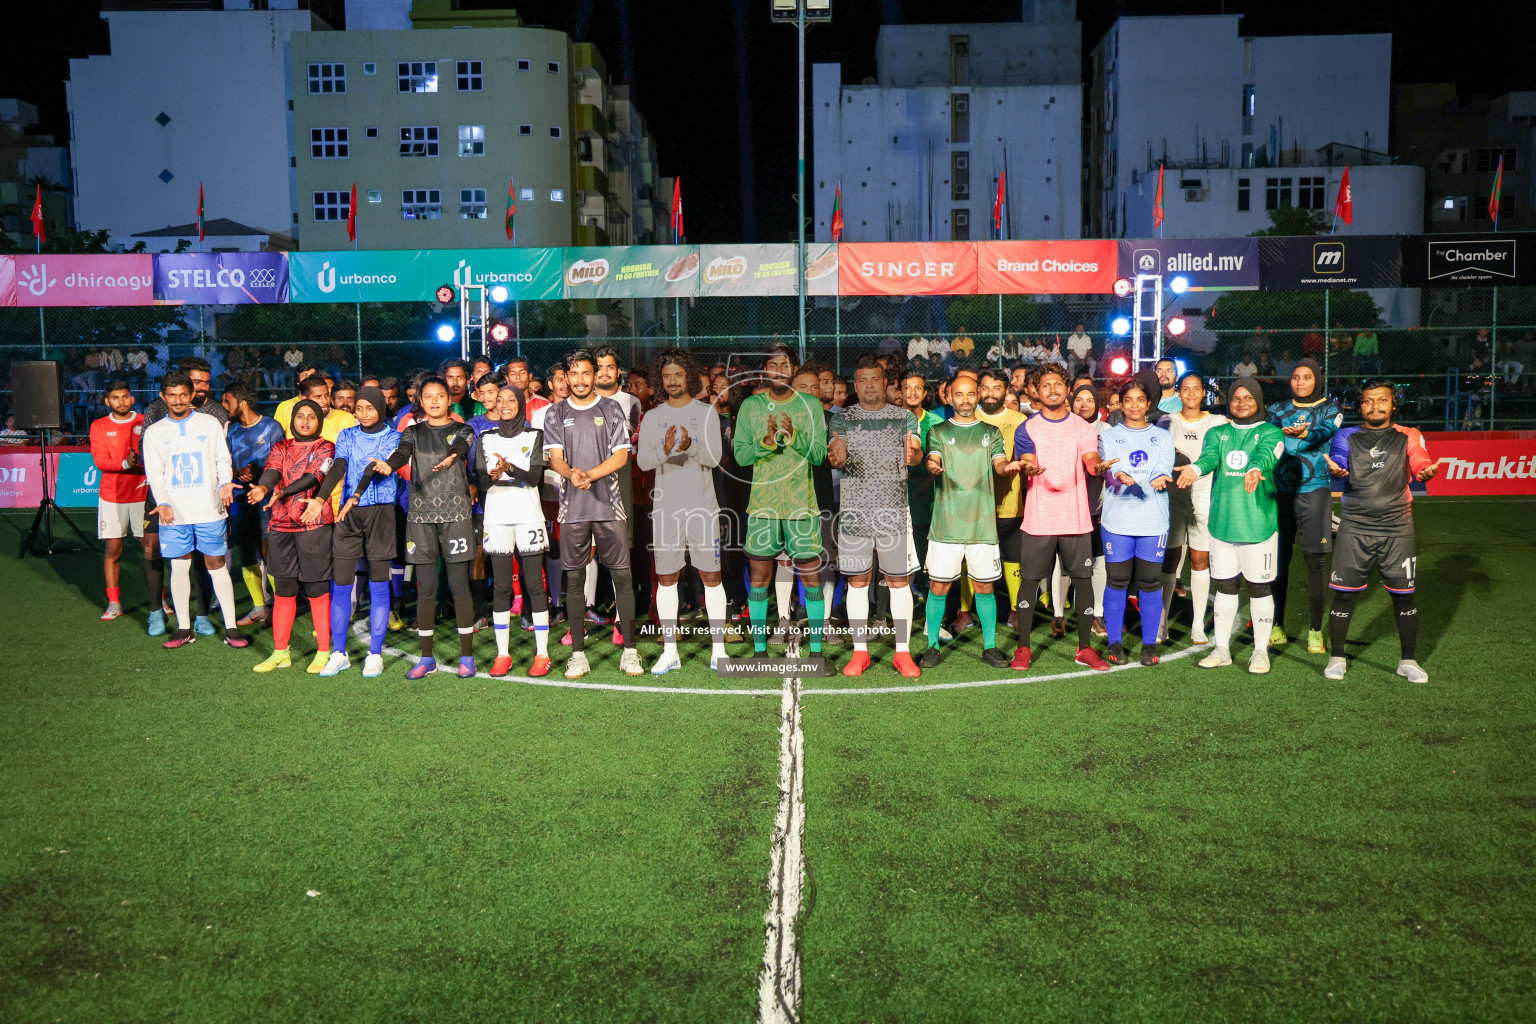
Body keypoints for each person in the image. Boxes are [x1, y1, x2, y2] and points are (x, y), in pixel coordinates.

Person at [1322, 380, 1440, 683]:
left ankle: (1408, 661)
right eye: (1368, 401)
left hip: (1397, 527)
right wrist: (1335, 468)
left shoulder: (1408, 435)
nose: (1375, 406)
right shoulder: (1346, 435)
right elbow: (1337, 458)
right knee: (1344, 595)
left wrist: (1424, 469)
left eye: (1382, 400)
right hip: (1354, 526)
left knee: (1404, 597)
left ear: (1393, 404)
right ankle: (1337, 657)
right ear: (1360, 405)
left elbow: (1419, 457)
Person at [1175, 377, 1286, 674]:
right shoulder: (1219, 432)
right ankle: (1222, 647)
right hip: (1222, 522)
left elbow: (1266, 456)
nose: (1241, 403)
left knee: (1259, 587)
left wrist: (1254, 469)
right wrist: (1196, 468)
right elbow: (1210, 457)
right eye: (1236, 398)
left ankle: (1260, 651)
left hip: (1258, 523)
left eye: (1248, 398)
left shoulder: (1271, 433)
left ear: (1259, 401)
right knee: (1224, 586)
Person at [544, 349, 643, 678]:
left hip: (608, 507)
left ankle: (630, 651)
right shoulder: (555, 413)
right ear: (566, 378)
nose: (582, 380)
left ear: (594, 374)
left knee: (622, 577)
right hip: (573, 509)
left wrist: (588, 474)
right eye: (575, 374)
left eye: (588, 373)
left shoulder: (612, 408)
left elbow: (621, 457)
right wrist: (572, 473)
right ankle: (578, 654)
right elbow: (555, 457)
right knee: (574, 579)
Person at [1010, 364, 1114, 672]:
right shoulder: (1027, 428)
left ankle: (1084, 649)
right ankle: (1024, 648)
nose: (1052, 389)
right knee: (1029, 583)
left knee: (1083, 583)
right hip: (1039, 519)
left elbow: (1091, 460)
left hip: (1075, 518)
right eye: (1045, 385)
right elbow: (1027, 459)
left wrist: (1098, 468)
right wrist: (1028, 468)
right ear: (1036, 392)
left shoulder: (1082, 427)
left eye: (1058, 384)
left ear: (1067, 389)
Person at [827, 356, 925, 678]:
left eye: (875, 379)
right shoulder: (842, 419)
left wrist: (913, 454)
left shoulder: (904, 418)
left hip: (892, 511)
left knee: (899, 583)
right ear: (856, 386)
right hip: (854, 512)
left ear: (885, 383)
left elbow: (915, 452)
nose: (869, 385)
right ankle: (860, 653)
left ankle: (903, 654)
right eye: (863, 380)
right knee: (858, 582)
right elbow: (837, 452)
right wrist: (836, 454)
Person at [635, 349, 729, 673]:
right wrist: (664, 448)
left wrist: (690, 446)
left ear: (688, 376)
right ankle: (670, 652)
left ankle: (719, 651)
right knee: (666, 578)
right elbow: (643, 462)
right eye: (666, 375)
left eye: (678, 374)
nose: (672, 381)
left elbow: (715, 458)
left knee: (711, 577)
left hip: (703, 508)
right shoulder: (652, 416)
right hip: (666, 510)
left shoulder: (706, 412)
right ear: (660, 380)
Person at [734, 343, 829, 660]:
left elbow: (818, 455)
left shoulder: (811, 405)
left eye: (785, 364)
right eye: (772, 364)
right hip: (763, 507)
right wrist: (765, 442)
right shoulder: (750, 406)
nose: (778, 370)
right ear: (765, 370)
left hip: (802, 506)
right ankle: (760, 650)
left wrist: (795, 435)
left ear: (794, 369)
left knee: (811, 576)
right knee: (760, 578)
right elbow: (740, 455)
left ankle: (816, 651)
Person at [140, 371, 247, 650]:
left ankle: (232, 628)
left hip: (209, 509)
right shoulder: (154, 432)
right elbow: (155, 474)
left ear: (192, 396)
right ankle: (184, 629)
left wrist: (225, 483)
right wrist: (162, 502)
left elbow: (223, 459)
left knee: (216, 565)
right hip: (174, 513)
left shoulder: (209, 423)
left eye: (183, 395)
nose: (178, 400)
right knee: (179, 565)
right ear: (163, 397)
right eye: (172, 395)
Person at [920, 374, 1021, 669]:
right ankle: (932, 646)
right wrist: (932, 465)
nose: (965, 400)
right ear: (948, 397)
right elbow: (932, 459)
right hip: (946, 524)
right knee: (939, 587)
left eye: (970, 394)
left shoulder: (990, 432)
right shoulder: (937, 431)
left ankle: (989, 647)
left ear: (977, 396)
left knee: (985, 588)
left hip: (982, 523)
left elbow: (1000, 463)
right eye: (958, 395)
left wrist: (1008, 467)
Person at [385, 376, 479, 678]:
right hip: (421, 516)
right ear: (421, 401)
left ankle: (467, 656)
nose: (435, 400)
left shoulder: (461, 428)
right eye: (429, 396)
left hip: (456, 515)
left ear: (449, 400)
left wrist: (454, 455)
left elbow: (464, 445)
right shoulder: (412, 431)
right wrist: (390, 463)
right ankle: (426, 658)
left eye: (440, 395)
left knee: (459, 585)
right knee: (426, 589)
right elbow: (402, 452)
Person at [314, 386, 401, 678]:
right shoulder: (347, 435)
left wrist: (357, 495)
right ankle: (339, 652)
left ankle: (374, 654)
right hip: (347, 513)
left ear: (380, 408)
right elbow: (339, 467)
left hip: (380, 512)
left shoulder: (393, 437)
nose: (363, 414)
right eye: (359, 408)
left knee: (378, 582)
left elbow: (374, 471)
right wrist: (319, 497)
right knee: (340, 582)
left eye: (370, 408)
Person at [245, 400, 336, 673]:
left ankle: (323, 651)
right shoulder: (280, 447)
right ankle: (280, 652)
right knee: (284, 589)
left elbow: (313, 478)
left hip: (313, 525)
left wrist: (282, 493)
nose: (305, 421)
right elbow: (272, 471)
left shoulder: (325, 447)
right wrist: (263, 488)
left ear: (319, 420)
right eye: (300, 416)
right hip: (281, 526)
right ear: (292, 419)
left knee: (317, 588)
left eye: (311, 416)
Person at [477, 385, 555, 677]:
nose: (505, 404)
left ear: (521, 404)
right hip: (496, 517)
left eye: (512, 400)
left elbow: (535, 478)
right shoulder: (485, 438)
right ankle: (502, 655)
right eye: (500, 400)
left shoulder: (534, 435)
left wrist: (508, 468)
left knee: (534, 585)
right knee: (501, 587)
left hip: (528, 516)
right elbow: (481, 482)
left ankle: (542, 655)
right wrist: (491, 476)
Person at [1097, 379, 1176, 665]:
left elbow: (1163, 466)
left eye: (1140, 399)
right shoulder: (1108, 435)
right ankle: (1115, 643)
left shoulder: (1163, 436)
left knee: (1150, 581)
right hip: (1117, 519)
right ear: (1120, 403)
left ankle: (1149, 645)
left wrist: (1158, 477)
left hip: (1153, 520)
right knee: (1117, 580)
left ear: (1148, 404)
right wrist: (1118, 474)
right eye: (1128, 399)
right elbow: (1110, 465)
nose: (1134, 405)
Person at [1267, 358, 1343, 653]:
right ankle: (1276, 625)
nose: (1300, 382)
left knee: (1316, 562)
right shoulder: (1277, 411)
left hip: (1315, 491)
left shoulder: (1330, 409)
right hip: (1280, 492)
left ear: (1317, 380)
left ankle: (1315, 630)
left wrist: (1305, 434)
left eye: (1307, 377)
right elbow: (1267, 438)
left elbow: (1325, 432)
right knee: (1278, 560)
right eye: (1296, 377)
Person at [1157, 372, 1228, 644]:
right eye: (1185, 389)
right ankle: (1162, 623)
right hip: (1175, 499)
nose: (1190, 394)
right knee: (1170, 561)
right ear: (1178, 392)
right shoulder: (1168, 421)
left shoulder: (1217, 421)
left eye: (1196, 389)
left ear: (1203, 393)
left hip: (1204, 498)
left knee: (1199, 560)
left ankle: (1197, 624)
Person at [222, 383, 285, 626]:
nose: (225, 407)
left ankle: (281, 604)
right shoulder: (232, 431)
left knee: (270, 552)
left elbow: (281, 462)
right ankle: (260, 607)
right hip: (240, 500)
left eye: (228, 402)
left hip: (267, 501)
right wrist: (239, 472)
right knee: (246, 552)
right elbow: (225, 464)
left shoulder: (271, 427)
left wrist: (260, 472)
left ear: (242, 403)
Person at [90, 379, 148, 621]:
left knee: (150, 548)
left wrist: (139, 462)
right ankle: (114, 602)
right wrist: (125, 463)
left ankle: (159, 598)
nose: (121, 401)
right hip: (112, 496)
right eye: (115, 398)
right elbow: (101, 461)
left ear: (132, 398)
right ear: (107, 401)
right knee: (114, 549)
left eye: (125, 396)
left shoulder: (145, 422)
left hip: (142, 493)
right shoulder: (99, 426)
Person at [976, 367, 1028, 623]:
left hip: (1009, 504)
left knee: (1012, 557)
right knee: (970, 560)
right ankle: (965, 612)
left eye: (996, 388)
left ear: (1005, 391)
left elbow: (1027, 457)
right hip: (973, 505)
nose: (990, 394)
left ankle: (1016, 610)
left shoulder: (1019, 420)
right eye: (985, 387)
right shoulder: (967, 417)